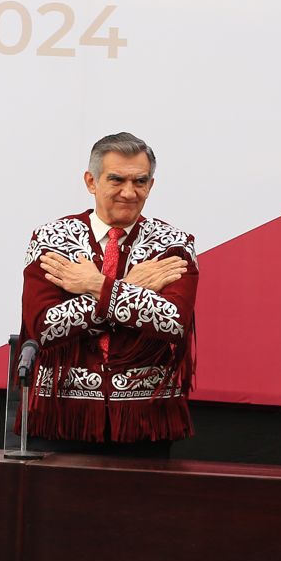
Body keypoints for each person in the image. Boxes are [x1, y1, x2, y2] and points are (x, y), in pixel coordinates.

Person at [20, 132, 197, 455]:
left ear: (151, 185)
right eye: (116, 179)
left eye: (140, 181)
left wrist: (96, 286)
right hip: (62, 416)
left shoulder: (174, 245)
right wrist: (130, 290)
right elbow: (43, 328)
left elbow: (173, 322)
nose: (129, 192)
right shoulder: (52, 239)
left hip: (144, 422)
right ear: (91, 181)